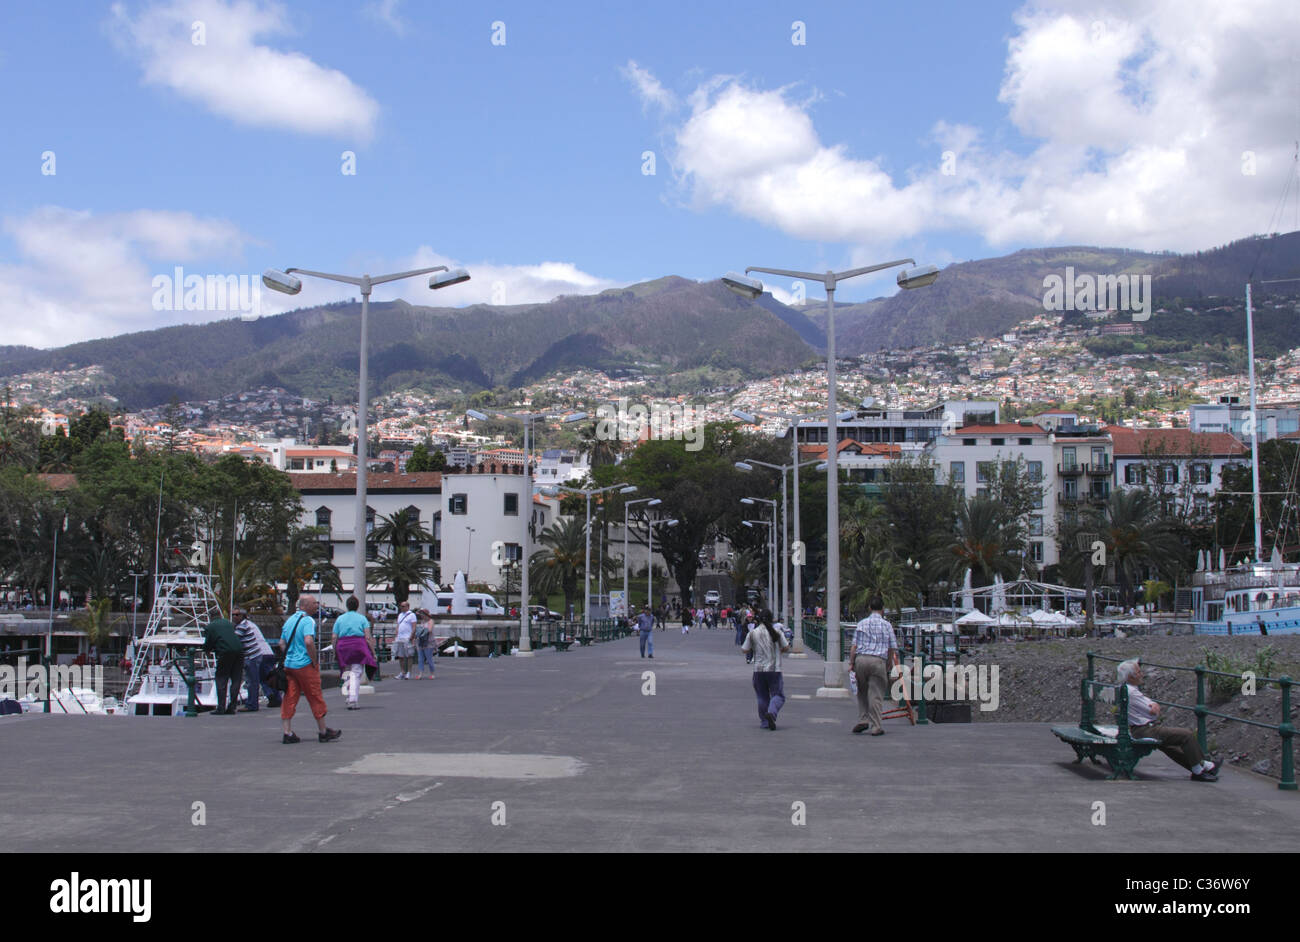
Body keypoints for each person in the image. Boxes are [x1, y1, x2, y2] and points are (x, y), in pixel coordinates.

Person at [1117, 659, 1221, 781]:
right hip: (1143, 730)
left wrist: (1152, 704)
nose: (1142, 674)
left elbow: (1149, 706)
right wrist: (1154, 706)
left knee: (1168, 746)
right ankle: (1199, 770)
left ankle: (1205, 766)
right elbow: (1153, 714)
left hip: (1136, 729)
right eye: (1139, 672)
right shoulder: (1132, 693)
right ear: (1130, 676)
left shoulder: (1125, 689)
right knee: (1186, 735)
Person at [279, 595, 340, 744]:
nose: (317, 606)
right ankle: (323, 731)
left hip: (289, 665)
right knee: (314, 695)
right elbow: (308, 641)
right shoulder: (308, 621)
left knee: (290, 696)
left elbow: (282, 643)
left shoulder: (289, 621)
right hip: (304, 665)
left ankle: (287, 731)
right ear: (305, 605)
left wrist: (290, 656)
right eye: (314, 604)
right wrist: (313, 660)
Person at [849, 597, 897, 736]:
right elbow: (892, 648)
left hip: (861, 659)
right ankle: (876, 725)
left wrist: (851, 663)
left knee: (862, 690)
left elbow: (854, 646)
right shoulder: (887, 625)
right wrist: (888, 663)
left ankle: (863, 719)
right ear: (882, 609)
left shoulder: (861, 624)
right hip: (877, 661)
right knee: (876, 693)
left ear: (869, 608)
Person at [742, 609, 790, 730]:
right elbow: (786, 647)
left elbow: (744, 649)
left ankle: (764, 721)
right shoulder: (777, 631)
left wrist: (755, 647)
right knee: (778, 695)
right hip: (774, 669)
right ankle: (772, 712)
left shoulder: (753, 633)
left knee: (762, 696)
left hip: (758, 670)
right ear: (771, 619)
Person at [333, 596, 377, 710]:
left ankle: (349, 695)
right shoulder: (362, 619)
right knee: (356, 672)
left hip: (343, 646)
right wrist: (373, 652)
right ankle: (353, 699)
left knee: (347, 672)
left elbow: (334, 636)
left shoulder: (340, 619)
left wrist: (335, 650)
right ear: (357, 606)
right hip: (358, 645)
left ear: (347, 606)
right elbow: (368, 637)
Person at [233, 607, 277, 711]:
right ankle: (273, 697)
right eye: (233, 615)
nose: (234, 617)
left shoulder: (242, 626)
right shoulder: (249, 625)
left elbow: (235, 640)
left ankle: (252, 704)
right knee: (262, 678)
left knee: (253, 680)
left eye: (237, 614)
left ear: (243, 615)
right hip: (262, 653)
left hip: (253, 655)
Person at [203, 612, 244, 715]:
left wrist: (207, 651)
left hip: (225, 651)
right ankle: (232, 706)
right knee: (236, 678)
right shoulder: (229, 623)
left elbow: (208, 643)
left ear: (210, 617)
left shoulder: (210, 627)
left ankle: (221, 707)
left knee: (221, 678)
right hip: (239, 651)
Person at [392, 601, 416, 679]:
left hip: (407, 637)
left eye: (403, 606)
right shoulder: (400, 615)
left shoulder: (412, 615)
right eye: (401, 606)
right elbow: (398, 625)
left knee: (409, 655)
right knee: (400, 655)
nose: (401, 608)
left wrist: (411, 637)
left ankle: (408, 672)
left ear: (407, 606)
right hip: (400, 637)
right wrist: (396, 634)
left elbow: (414, 626)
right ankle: (402, 672)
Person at [414, 608, 437, 679]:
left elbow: (429, 630)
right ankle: (420, 673)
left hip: (429, 642)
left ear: (426, 614)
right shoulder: (422, 621)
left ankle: (432, 673)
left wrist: (421, 631)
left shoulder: (431, 621)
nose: (421, 616)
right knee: (420, 659)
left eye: (422, 614)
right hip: (421, 641)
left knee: (429, 658)